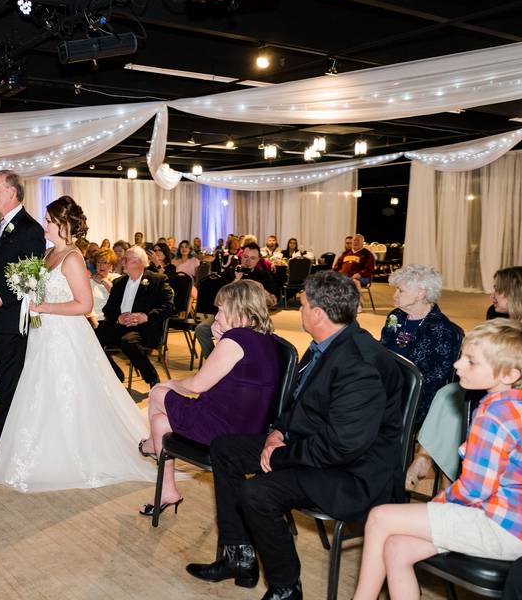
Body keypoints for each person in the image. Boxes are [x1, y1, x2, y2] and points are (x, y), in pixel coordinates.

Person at [186, 271, 403, 600]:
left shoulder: (360, 365)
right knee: (225, 448)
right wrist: (278, 432)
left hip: (352, 474)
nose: (298, 310)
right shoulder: (326, 345)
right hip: (314, 446)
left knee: (257, 493)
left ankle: (286, 587)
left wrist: (281, 454)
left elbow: (343, 445)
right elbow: (300, 402)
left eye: (302, 305)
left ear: (317, 313)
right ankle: (239, 556)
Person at [352, 319, 522, 600]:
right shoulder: (520, 404)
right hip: (518, 526)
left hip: (501, 525)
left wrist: (436, 506)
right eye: (461, 356)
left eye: (471, 361)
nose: (457, 365)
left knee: (379, 517)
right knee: (397, 548)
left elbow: (474, 490)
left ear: (509, 374)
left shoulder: (494, 416)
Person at [0, 196, 156, 491]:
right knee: (40, 392)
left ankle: (69, 454)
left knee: (66, 392)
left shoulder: (73, 258)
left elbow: (84, 304)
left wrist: (43, 308)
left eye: (50, 221)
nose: (45, 225)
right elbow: (37, 290)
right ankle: (37, 451)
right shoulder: (49, 253)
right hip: (43, 334)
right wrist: (29, 297)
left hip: (64, 335)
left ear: (64, 225)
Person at [138, 280, 280, 516]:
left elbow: (198, 385)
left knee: (158, 393)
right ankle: (167, 491)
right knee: (161, 423)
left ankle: (153, 446)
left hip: (224, 429)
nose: (216, 316)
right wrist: (217, 341)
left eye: (221, 309)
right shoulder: (262, 338)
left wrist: (170, 384)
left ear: (239, 309)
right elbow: (226, 379)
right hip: (247, 426)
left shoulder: (237, 338)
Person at [414, 265, 522, 484]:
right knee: (449, 395)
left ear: (516, 293)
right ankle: (436, 465)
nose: (491, 295)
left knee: (457, 398)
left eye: (498, 290)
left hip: (514, 393)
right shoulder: (494, 315)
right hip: (491, 384)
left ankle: (446, 473)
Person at [0, 171, 46, 461]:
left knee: (8, 383)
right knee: (5, 379)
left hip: (15, 321)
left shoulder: (30, 228)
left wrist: (2, 297)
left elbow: (33, 274)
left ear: (12, 192)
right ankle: (7, 438)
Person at [378, 265, 462, 487]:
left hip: (419, 398)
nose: (395, 295)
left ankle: (381, 477)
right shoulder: (396, 316)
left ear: (421, 293)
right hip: (387, 388)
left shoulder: (442, 330)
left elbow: (438, 378)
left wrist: (396, 391)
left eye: (401, 291)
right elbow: (381, 353)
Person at [95, 245, 174, 387]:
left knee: (128, 341)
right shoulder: (119, 283)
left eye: (126, 259)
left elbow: (169, 307)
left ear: (138, 262)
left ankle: (152, 378)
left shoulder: (157, 280)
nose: (122, 262)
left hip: (143, 328)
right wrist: (118, 318)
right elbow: (108, 309)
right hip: (120, 326)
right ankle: (116, 374)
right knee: (92, 337)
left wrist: (146, 316)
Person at [194, 242, 279, 361]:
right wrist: (236, 280)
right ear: (240, 256)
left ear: (258, 260)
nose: (248, 261)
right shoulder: (230, 272)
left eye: (252, 258)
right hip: (227, 315)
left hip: (252, 318)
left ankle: (238, 362)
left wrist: (259, 288)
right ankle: (214, 361)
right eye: (245, 257)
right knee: (201, 329)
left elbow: (273, 301)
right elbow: (219, 298)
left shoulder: (263, 276)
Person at [88, 248, 118, 329]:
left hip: (115, 320)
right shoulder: (89, 282)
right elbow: (88, 306)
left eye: (105, 262)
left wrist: (104, 281)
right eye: (98, 262)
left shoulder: (118, 279)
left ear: (111, 265)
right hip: (96, 320)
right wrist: (94, 322)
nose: (101, 265)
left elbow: (119, 297)